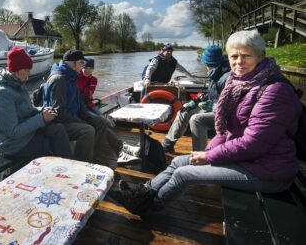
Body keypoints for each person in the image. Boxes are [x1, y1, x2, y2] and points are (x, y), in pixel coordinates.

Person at [110, 30, 302, 216]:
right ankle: (143, 193)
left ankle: (148, 207)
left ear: (261, 56)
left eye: (246, 56)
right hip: (248, 159)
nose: (239, 62)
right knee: (178, 161)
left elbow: (254, 144)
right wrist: (209, 153)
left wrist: (209, 157)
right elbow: (227, 131)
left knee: (184, 174)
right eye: (234, 56)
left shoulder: (274, 91)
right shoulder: (241, 84)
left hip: (268, 170)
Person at [42, 50, 137, 167]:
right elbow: (59, 112)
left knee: (100, 121)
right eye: (81, 63)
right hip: (59, 122)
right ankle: (82, 165)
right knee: (88, 130)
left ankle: (98, 157)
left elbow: (80, 103)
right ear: (73, 63)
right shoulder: (60, 80)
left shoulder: (70, 77)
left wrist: (88, 117)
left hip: (71, 117)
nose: (82, 67)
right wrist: (82, 121)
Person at [0, 47, 72, 160]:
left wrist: (42, 110)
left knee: (58, 128)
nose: (29, 73)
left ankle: (66, 168)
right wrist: (42, 118)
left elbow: (26, 110)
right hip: (13, 145)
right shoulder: (0, 94)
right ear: (19, 70)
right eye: (27, 70)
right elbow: (13, 132)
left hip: (26, 136)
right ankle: (66, 169)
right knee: (53, 138)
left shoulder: (17, 84)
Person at [162, 45, 231, 153]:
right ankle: (168, 144)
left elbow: (230, 106)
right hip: (215, 106)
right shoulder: (215, 73)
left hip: (223, 113)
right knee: (183, 111)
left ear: (209, 63)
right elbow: (211, 94)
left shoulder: (226, 78)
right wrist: (195, 101)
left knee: (196, 119)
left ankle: (199, 155)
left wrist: (213, 106)